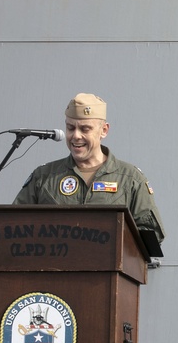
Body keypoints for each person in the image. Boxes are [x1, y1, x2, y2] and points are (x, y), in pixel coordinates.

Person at [14, 93, 165, 243]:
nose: (76, 136)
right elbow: (13, 225)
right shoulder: (44, 176)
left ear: (104, 130)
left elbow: (151, 236)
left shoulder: (130, 179)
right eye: (70, 128)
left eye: (85, 129)